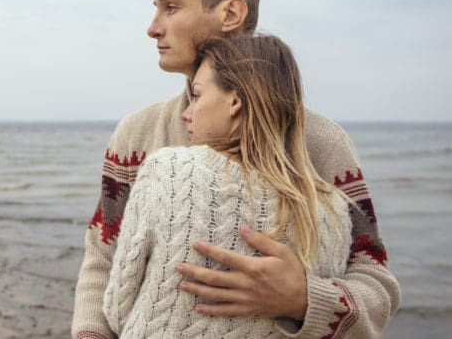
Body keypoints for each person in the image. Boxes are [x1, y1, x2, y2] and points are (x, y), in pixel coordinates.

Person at [72, 0, 400, 338]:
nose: (153, 28)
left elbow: (375, 281)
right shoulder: (137, 133)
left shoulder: (322, 143)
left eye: (171, 7)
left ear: (230, 12)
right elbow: (103, 256)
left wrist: (306, 299)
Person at [103, 34, 353, 338]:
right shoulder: (331, 208)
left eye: (197, 95)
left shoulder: (167, 171)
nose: (186, 112)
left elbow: (117, 307)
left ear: (234, 101)